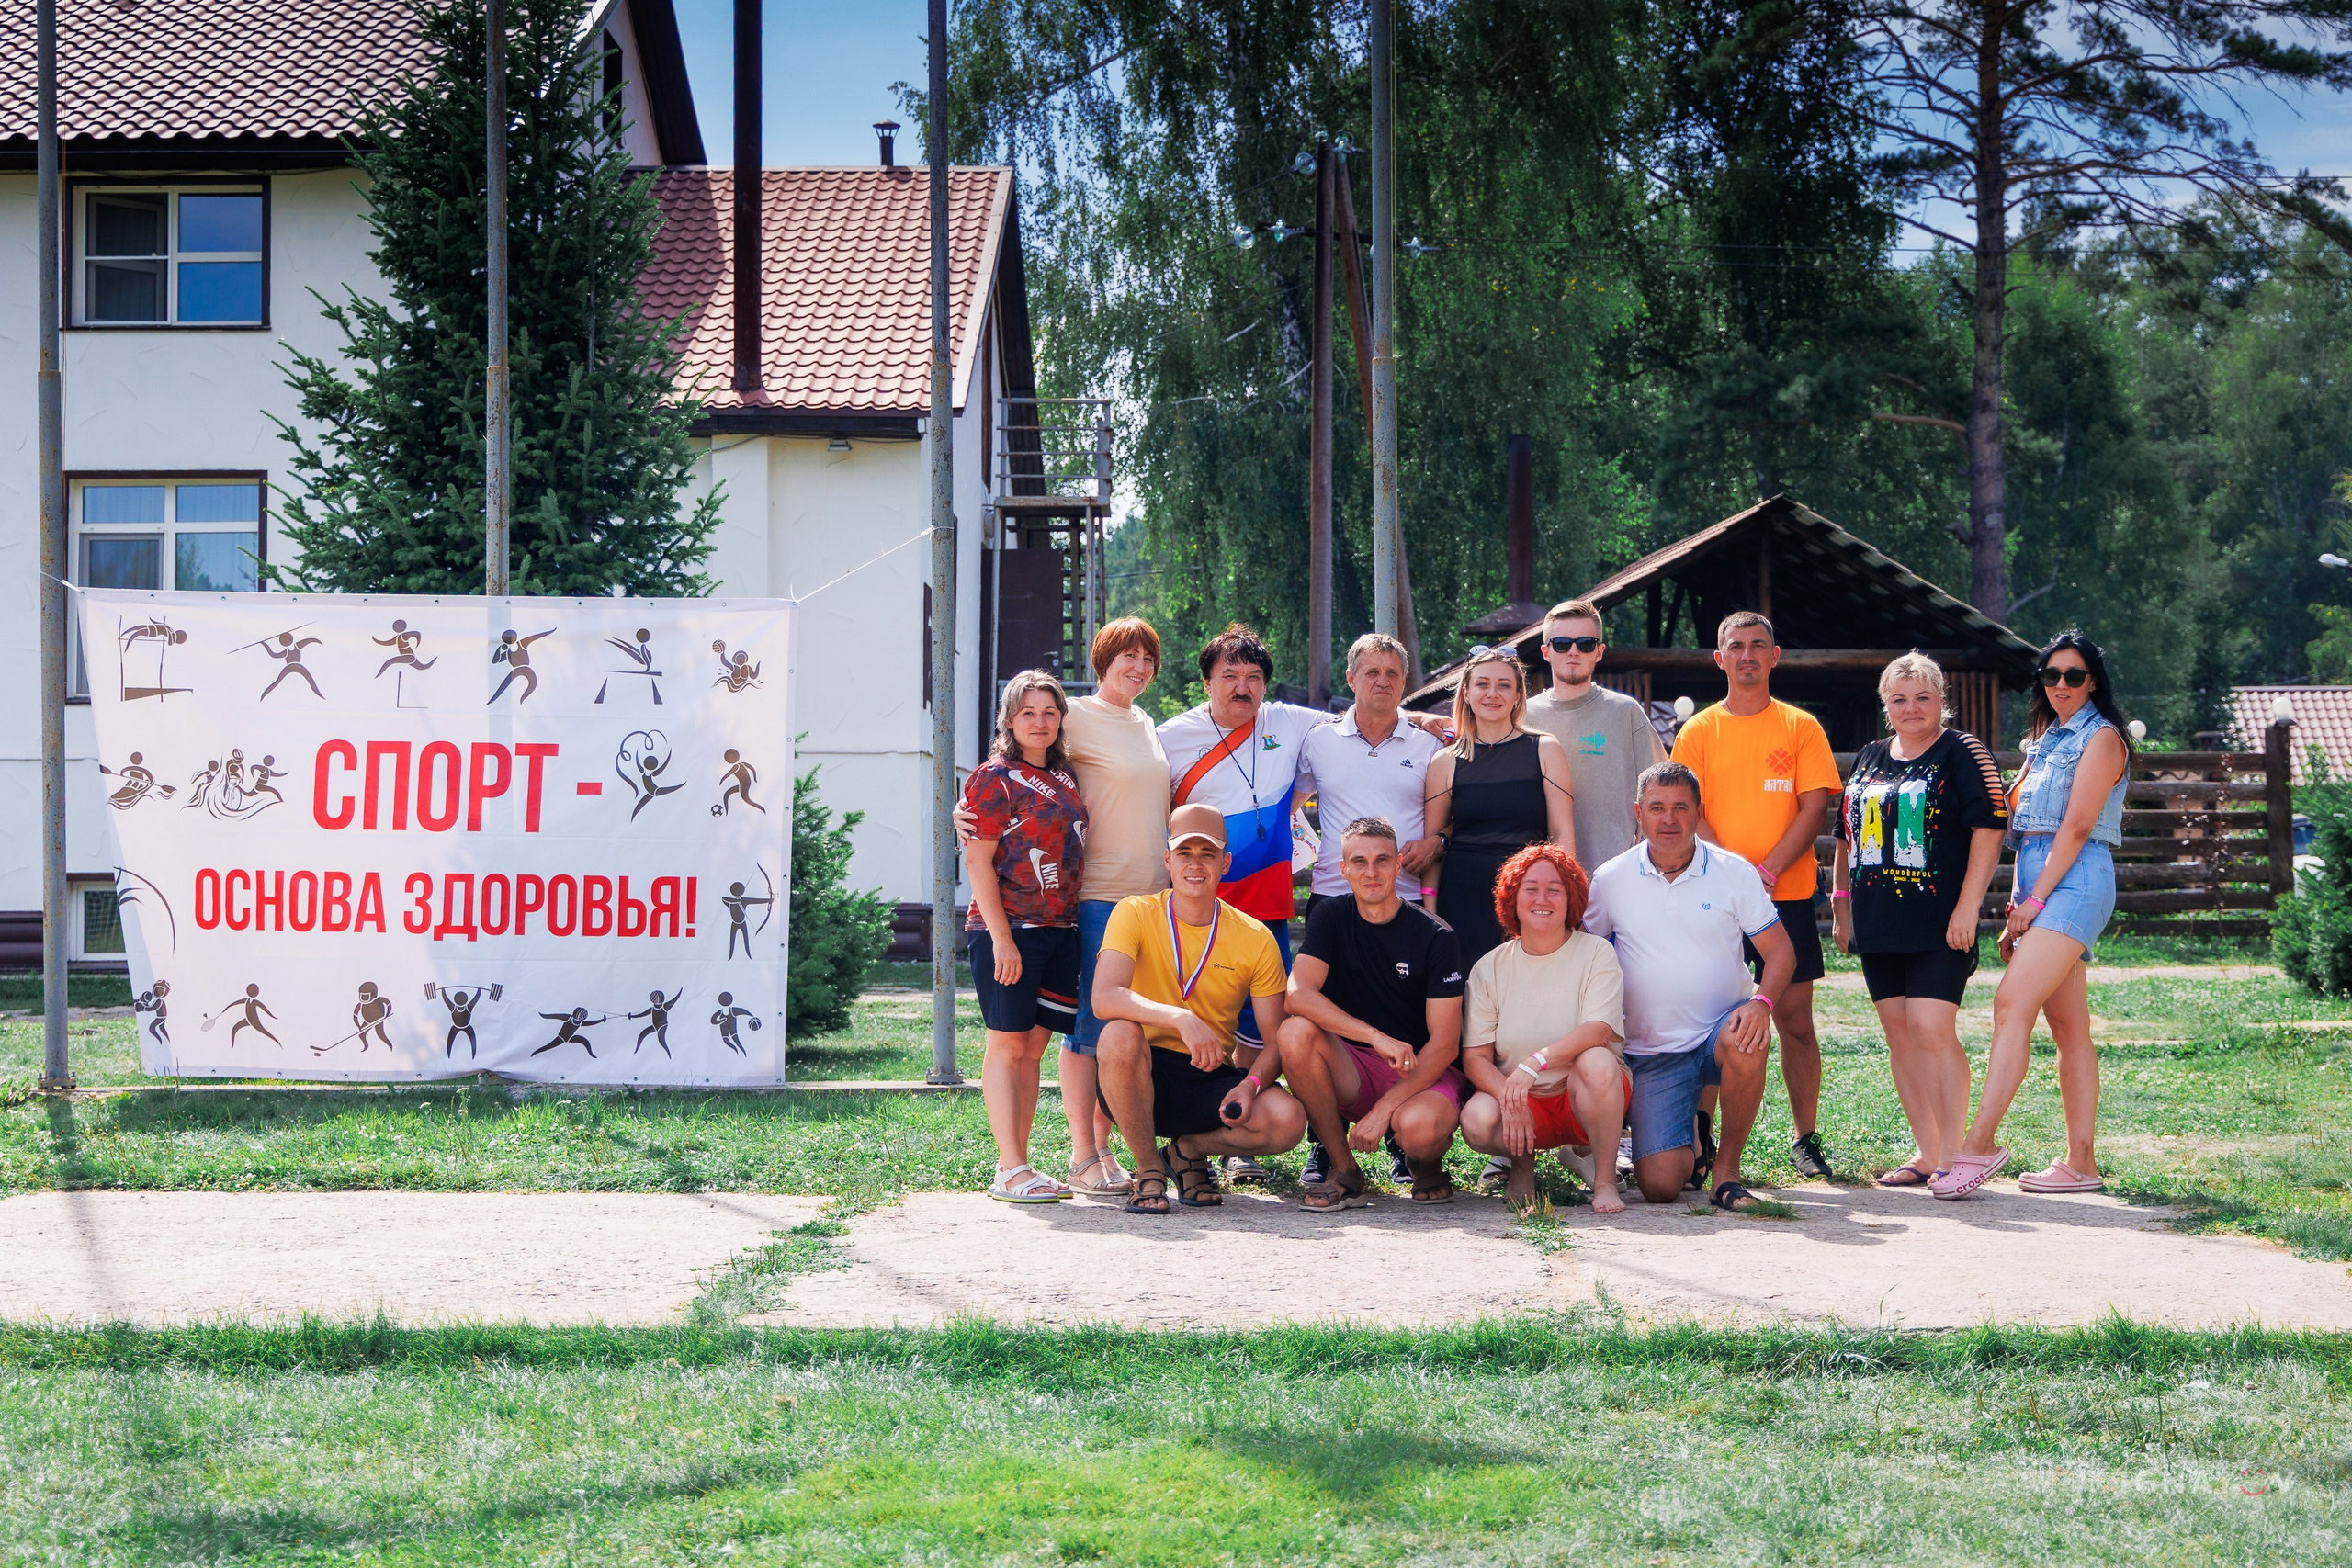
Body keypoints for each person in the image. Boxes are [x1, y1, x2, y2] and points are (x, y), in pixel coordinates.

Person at [1942, 632, 2129, 1200]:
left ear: (2093, 680)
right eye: (2051, 677)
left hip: (2076, 879)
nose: (2062, 686)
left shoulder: (2102, 739)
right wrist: (2023, 902)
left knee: (2010, 1004)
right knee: (2070, 1028)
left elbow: (2074, 829)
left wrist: (2034, 905)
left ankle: (1977, 1145)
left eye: (2074, 676)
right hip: (2041, 878)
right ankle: (2081, 1163)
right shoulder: (2044, 742)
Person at [1001, 616, 1171, 1199]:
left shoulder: (1146, 723)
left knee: (1128, 1027)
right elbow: (1016, 759)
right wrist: (965, 813)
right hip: (1097, 895)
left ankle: (1106, 1149)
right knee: (1088, 1027)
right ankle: (1083, 1154)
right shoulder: (1074, 715)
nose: (1139, 667)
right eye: (1127, 656)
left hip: (1152, 896)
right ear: (1103, 660)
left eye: (1148, 658)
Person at [1669, 611, 1843, 1180]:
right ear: (1719, 659)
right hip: (1711, 897)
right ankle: (1700, 1138)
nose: (1747, 655)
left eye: (1757, 645)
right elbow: (1688, 811)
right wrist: (1730, 872)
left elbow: (1814, 807)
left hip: (1784, 893)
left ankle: (1806, 1136)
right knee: (1711, 1018)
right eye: (1735, 646)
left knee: (1793, 1020)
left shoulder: (1800, 727)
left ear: (1775, 656)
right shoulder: (1697, 732)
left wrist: (1764, 871)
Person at [1830, 653, 2007, 1188]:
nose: (1912, 708)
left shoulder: (1962, 752)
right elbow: (1845, 834)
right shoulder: (1868, 756)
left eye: (1923, 697)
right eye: (1900, 699)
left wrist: (1968, 907)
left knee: (1932, 1028)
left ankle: (1959, 1158)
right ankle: (1929, 1153)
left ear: (1941, 701)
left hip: (1939, 920)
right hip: (1877, 919)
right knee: (1900, 1036)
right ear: (1886, 706)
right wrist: (1840, 902)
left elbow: (1989, 828)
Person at [1585, 763, 1795, 1211]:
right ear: (1637, 813)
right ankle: (1695, 1134)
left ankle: (1727, 1175)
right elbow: (1587, 956)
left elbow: (1780, 953)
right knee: (1661, 1187)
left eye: (1681, 807)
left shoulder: (1733, 872)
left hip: (1720, 1032)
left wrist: (1761, 1003)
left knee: (1748, 1039)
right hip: (1652, 1050)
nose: (1669, 819)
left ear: (1699, 812)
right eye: (1657, 808)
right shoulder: (1609, 879)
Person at [1092, 804, 1309, 1214]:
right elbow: (1104, 997)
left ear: (1225, 863)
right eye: (1185, 853)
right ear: (1167, 860)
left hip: (1208, 1074)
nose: (1195, 864)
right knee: (1118, 1033)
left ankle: (1187, 1150)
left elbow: (1275, 1039)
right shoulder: (1134, 912)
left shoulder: (1255, 937)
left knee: (1287, 1120)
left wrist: (1248, 1086)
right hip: (1138, 1068)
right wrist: (1180, 1017)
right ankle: (1149, 1168)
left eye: (1207, 854)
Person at [1274, 817, 1468, 1209]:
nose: (1371, 872)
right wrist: (1374, 1037)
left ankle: (1422, 1162)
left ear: (1399, 865)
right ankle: (1344, 1169)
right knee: (1294, 1033)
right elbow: (1297, 996)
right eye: (1359, 862)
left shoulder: (1436, 936)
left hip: (1420, 1067)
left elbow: (1446, 1046)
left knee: (1420, 1129)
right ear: (1342, 869)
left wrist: (1384, 1111)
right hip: (1354, 1065)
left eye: (1382, 860)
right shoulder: (1330, 916)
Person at [963, 671, 1091, 1203]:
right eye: (1027, 713)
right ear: (1009, 721)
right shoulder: (993, 778)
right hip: (1010, 929)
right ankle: (1009, 1166)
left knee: (1035, 1048)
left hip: (1062, 931)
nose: (1039, 722)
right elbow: (978, 863)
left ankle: (1021, 1165)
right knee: (1007, 1046)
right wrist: (1003, 940)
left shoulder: (1066, 777)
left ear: (1061, 719)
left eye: (1049, 712)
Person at [1457, 842, 1631, 1214]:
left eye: (1556, 889)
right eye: (1530, 888)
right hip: (1525, 1100)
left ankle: (1602, 1177)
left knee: (1598, 1062)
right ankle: (1522, 1167)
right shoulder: (1489, 968)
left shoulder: (1596, 952)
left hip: (1583, 1094)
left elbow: (1598, 1029)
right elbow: (1475, 1058)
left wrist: (1536, 1061)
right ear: (1512, 898)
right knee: (1476, 1119)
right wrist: (1511, 1096)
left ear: (1572, 900)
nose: (1543, 898)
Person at [1423, 646, 1576, 966]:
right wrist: (1430, 911)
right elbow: (1432, 850)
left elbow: (1561, 834)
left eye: (1504, 685)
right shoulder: (1444, 761)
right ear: (1466, 692)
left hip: (1529, 896)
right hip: (1461, 899)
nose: (1492, 693)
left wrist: (1564, 901)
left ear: (1519, 695)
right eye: (1482, 684)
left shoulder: (1545, 749)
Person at [1296, 633, 1443, 914]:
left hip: (1405, 895)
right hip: (1334, 893)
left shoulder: (1431, 745)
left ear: (1404, 680)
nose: (1383, 681)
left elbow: (1454, 815)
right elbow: (1288, 805)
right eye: (1372, 672)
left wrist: (1435, 844)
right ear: (1351, 679)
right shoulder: (1317, 740)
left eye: (1392, 673)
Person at [1521, 598, 1665, 870]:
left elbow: (1661, 794)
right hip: (1542, 879)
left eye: (1585, 644)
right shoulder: (1523, 717)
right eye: (1562, 644)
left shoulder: (1626, 712)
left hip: (1616, 877)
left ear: (1599, 651)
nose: (1573, 652)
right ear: (1546, 651)